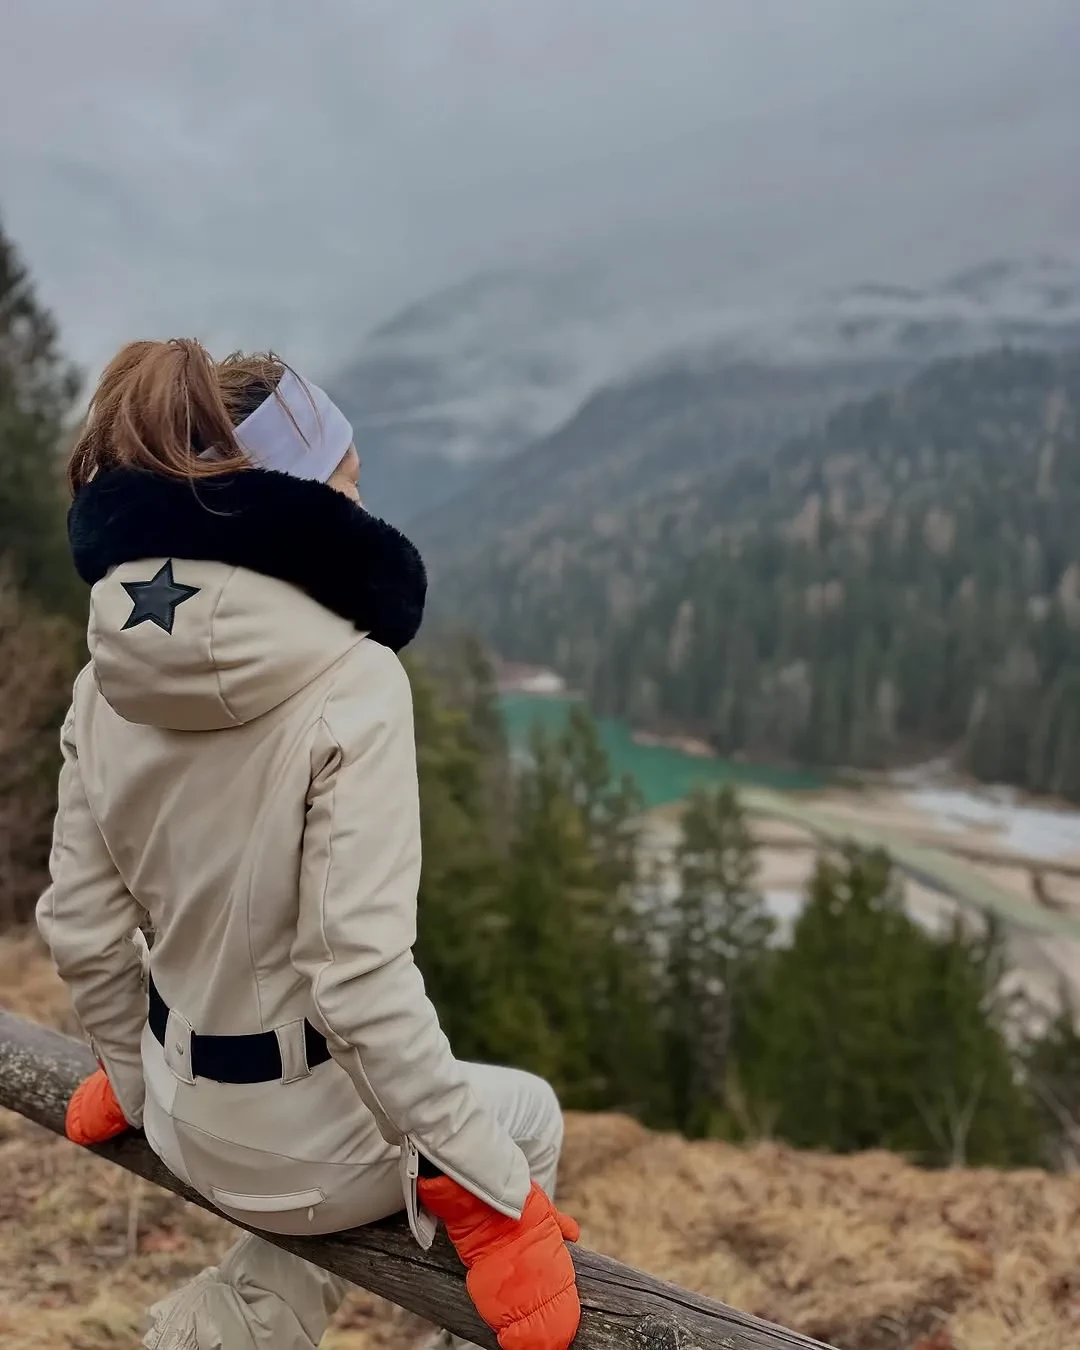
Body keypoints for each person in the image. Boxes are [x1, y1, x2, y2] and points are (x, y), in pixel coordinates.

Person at [37, 339, 581, 1350]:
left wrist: (135, 1081)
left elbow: (79, 924)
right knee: (528, 1116)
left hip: (179, 1108)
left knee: (330, 1155)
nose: (361, 508)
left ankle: (232, 1323)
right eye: (347, 482)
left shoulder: (102, 676)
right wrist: (496, 1194)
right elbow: (358, 981)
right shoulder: (354, 681)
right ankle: (256, 1325)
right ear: (290, 497)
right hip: (305, 1142)